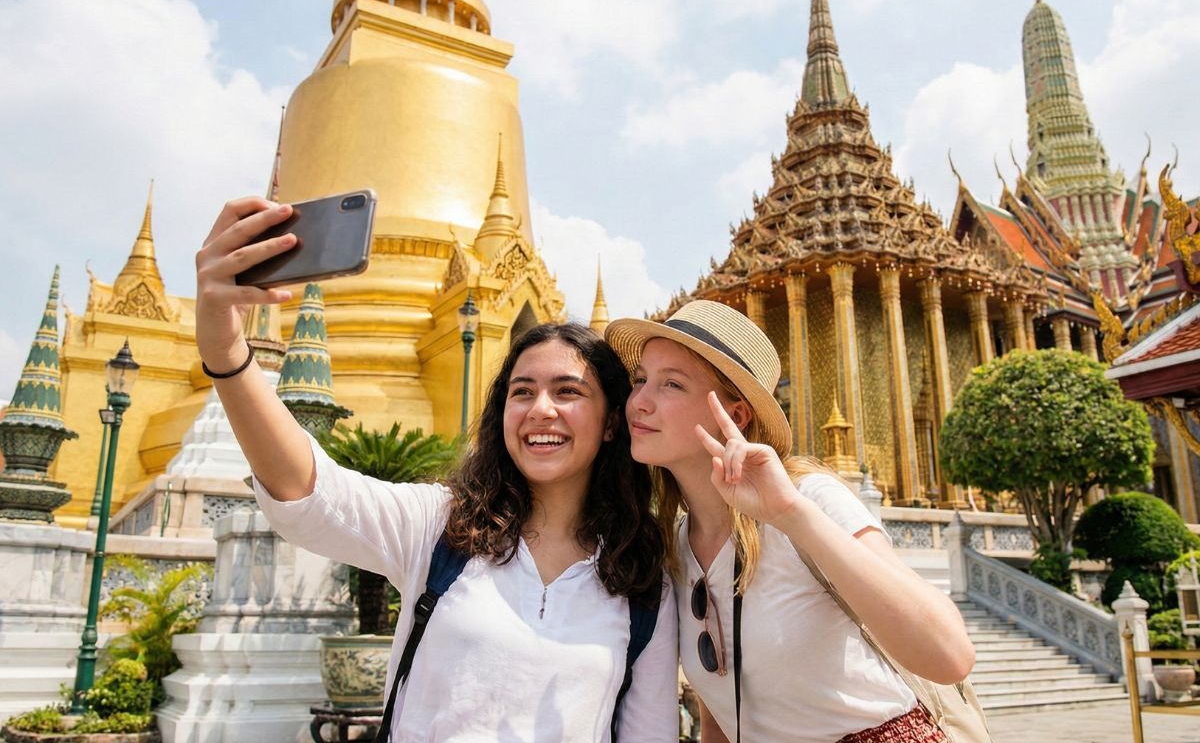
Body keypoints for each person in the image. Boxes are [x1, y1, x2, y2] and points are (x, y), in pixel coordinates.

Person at [194, 197, 679, 741]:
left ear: (611, 422)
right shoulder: (443, 528)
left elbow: (650, 734)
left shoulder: (641, 580)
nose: (541, 409)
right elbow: (309, 490)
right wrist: (226, 350)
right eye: (522, 392)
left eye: (568, 392)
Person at [606, 300, 976, 743]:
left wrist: (790, 515)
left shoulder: (808, 498)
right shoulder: (676, 547)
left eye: (671, 384)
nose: (639, 402)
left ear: (735, 416)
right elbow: (721, 712)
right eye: (640, 380)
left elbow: (950, 656)